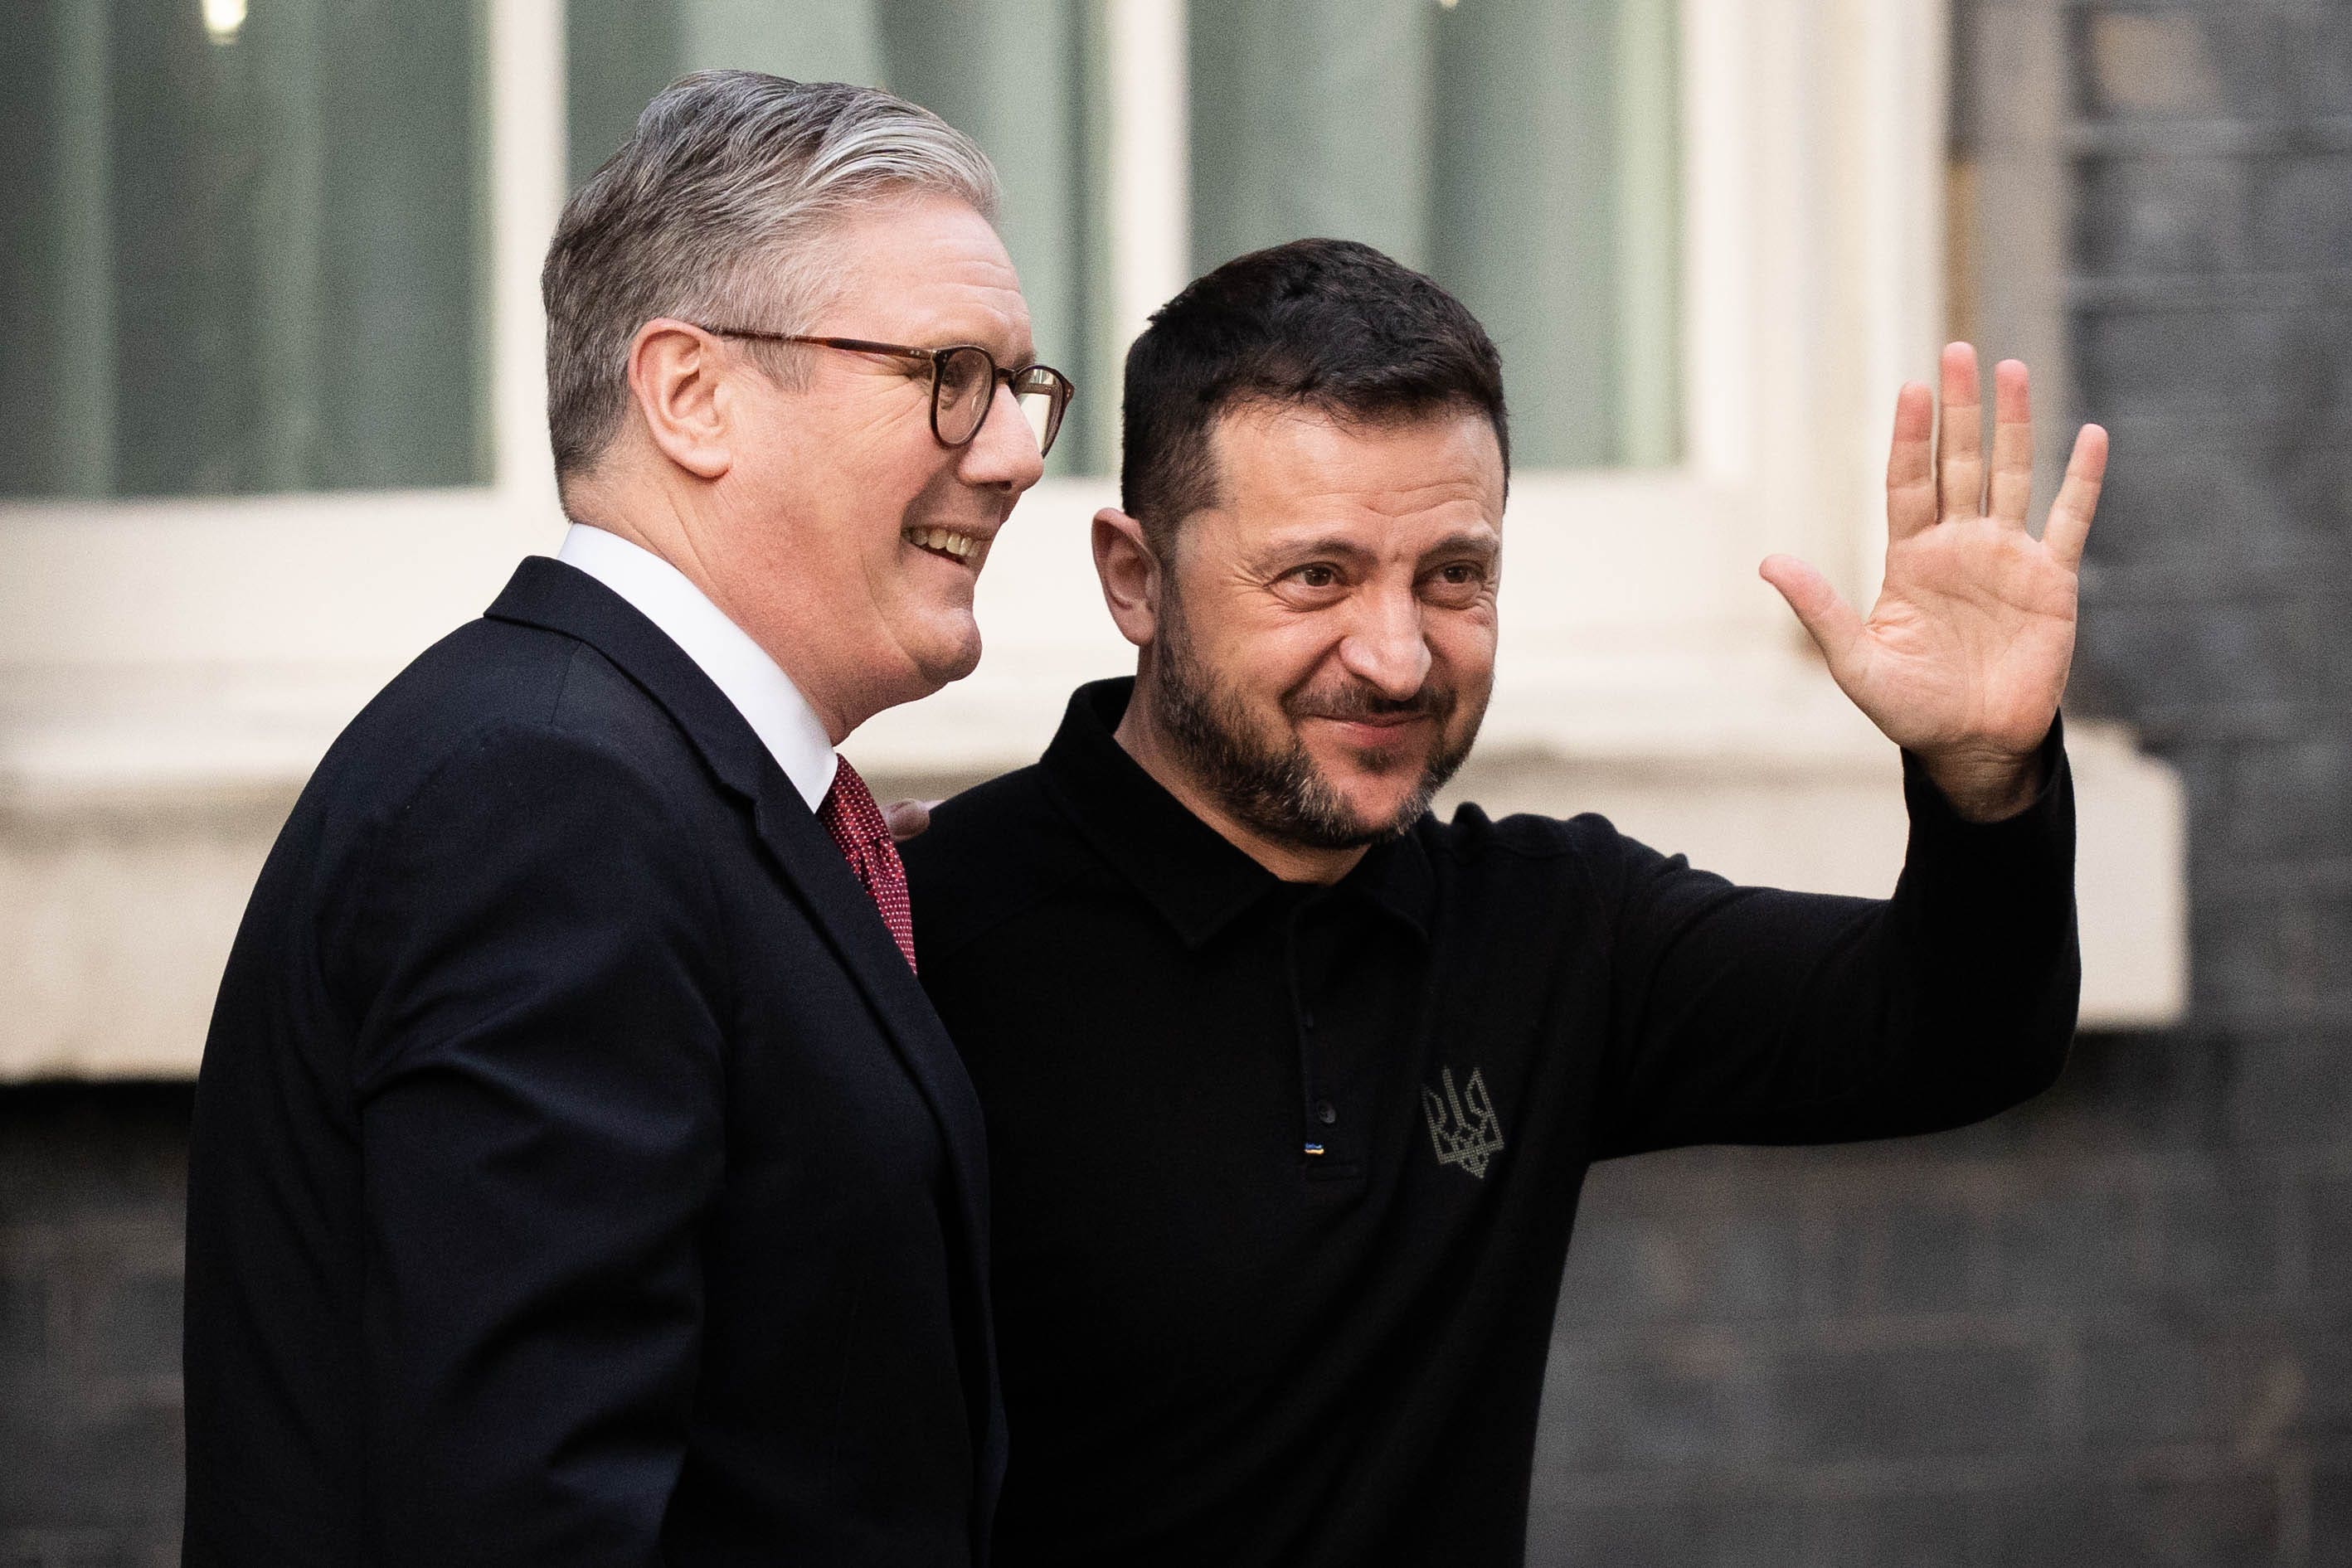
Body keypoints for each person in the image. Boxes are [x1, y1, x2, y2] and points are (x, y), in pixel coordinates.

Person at [901, 239, 2106, 1566]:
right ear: (1136, 579)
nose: (1398, 654)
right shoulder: (918, 936)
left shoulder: (1548, 930)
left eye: (1453, 576)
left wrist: (1985, 778)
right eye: (1317, 576)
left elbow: (1957, 1032)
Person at [183, 72, 1072, 1566]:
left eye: (1020, 388)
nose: (1012, 452)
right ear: (690, 394)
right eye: (948, 373)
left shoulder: (641, 777)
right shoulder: (553, 807)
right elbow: (530, 1518)